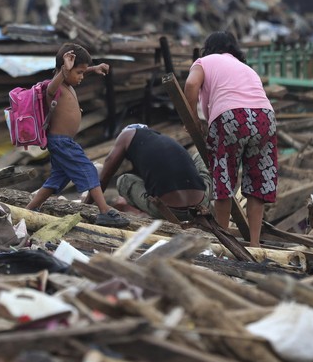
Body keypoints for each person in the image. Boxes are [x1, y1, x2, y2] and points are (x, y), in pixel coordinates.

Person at [183, 31, 277, 247]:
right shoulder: (246, 68)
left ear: (208, 48)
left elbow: (189, 85)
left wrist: (192, 120)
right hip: (265, 117)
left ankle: (224, 241)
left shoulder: (204, 61)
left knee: (223, 179)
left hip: (231, 116)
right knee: (258, 183)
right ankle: (255, 244)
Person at [25, 43, 130, 227]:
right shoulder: (54, 87)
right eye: (79, 72)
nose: (82, 76)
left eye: (83, 72)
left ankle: (30, 208)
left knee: (57, 178)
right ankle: (104, 210)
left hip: (62, 142)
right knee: (88, 169)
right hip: (61, 142)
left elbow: (74, 72)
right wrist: (66, 69)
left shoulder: (67, 81)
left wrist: (94, 68)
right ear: (64, 70)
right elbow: (51, 88)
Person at [88, 124, 212, 221]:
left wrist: (85, 206)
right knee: (199, 156)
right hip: (201, 204)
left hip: (171, 211)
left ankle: (155, 214)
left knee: (123, 180)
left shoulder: (126, 136)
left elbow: (104, 176)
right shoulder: (162, 140)